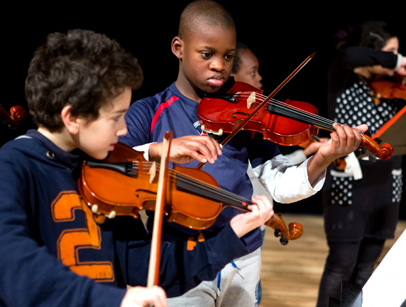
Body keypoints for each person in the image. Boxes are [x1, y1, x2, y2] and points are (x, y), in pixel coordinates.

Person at [0, 28, 275, 307]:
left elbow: (152, 268)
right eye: (116, 117)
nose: (123, 130)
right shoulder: (14, 166)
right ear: (72, 118)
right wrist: (114, 300)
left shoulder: (109, 173)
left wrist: (232, 234)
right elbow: (14, 267)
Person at [120, 1, 368, 306]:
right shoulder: (149, 111)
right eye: (207, 54)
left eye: (228, 56)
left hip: (243, 253)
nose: (219, 65)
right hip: (181, 254)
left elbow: (279, 185)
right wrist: (161, 150)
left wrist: (322, 158)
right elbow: (112, 164)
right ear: (178, 48)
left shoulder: (247, 115)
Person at [317, 20, 406, 306]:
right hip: (350, 189)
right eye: (390, 54)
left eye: (398, 53)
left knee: (366, 269)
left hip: (387, 190)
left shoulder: (393, 88)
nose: (395, 63)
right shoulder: (344, 74)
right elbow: (350, 56)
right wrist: (400, 60)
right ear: (373, 54)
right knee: (341, 267)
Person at [231, 41, 328, 305]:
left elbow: (279, 176)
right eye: (253, 73)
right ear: (230, 76)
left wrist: (323, 157)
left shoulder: (257, 128)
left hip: (250, 235)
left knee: (253, 292)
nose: (260, 79)